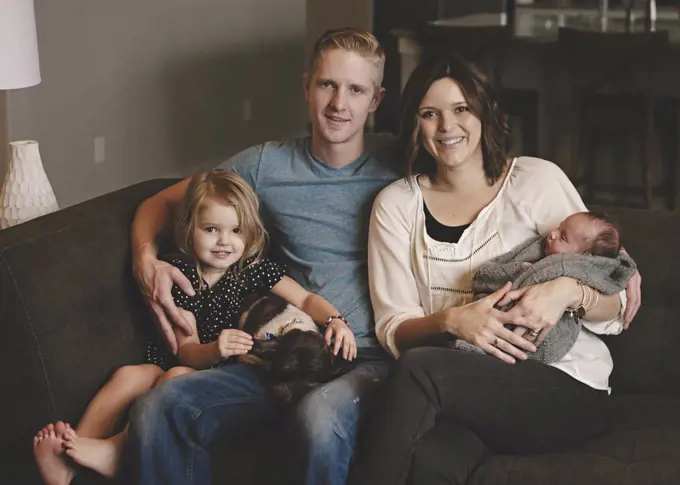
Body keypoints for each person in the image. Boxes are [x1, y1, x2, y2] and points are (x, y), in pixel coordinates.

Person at [348, 54, 642, 485]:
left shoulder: (536, 181)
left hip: (565, 386)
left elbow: (617, 306)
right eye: (430, 114)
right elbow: (395, 329)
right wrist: (452, 321)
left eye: (461, 109)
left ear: (484, 114)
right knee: (429, 459)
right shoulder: (395, 206)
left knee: (419, 369)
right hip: (469, 391)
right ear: (415, 124)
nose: (447, 127)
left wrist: (564, 291)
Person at [123, 27, 398, 485]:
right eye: (328, 84)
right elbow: (158, 203)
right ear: (306, 86)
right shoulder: (265, 165)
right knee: (159, 406)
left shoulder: (400, 160)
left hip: (367, 356)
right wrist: (145, 261)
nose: (338, 103)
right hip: (279, 351)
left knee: (317, 421)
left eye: (356, 89)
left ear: (376, 99)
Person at [32, 170, 357, 485]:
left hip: (213, 370)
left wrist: (334, 320)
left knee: (174, 381)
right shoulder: (178, 273)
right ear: (189, 228)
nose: (224, 242)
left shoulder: (253, 269)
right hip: (185, 356)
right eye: (211, 229)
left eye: (235, 231)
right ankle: (69, 452)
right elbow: (186, 350)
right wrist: (214, 347)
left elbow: (306, 298)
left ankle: (116, 450)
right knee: (129, 376)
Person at [455, 211, 637, 363]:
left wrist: (570, 303)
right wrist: (520, 270)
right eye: (559, 227)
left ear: (586, 257)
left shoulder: (581, 271)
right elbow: (493, 274)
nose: (552, 234)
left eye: (563, 237)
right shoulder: (541, 250)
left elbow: (585, 314)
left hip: (555, 336)